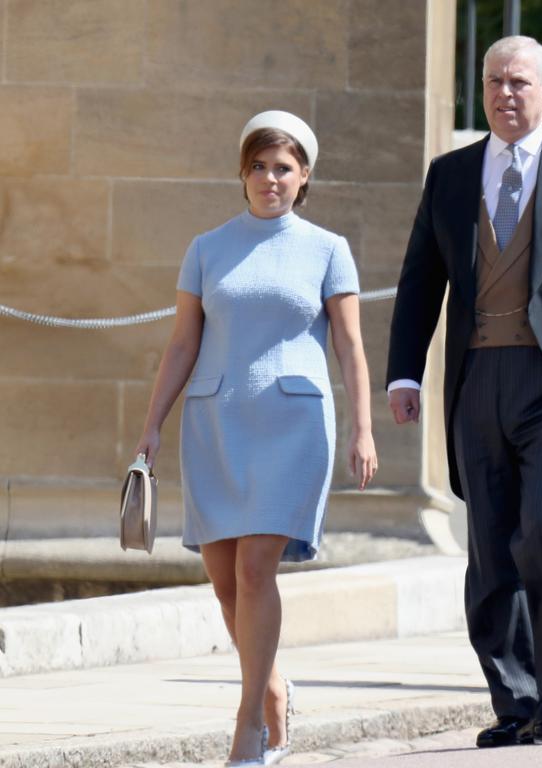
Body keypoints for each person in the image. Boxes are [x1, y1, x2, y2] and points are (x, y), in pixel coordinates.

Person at [386, 36, 542, 747]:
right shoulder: (449, 174)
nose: (506, 93)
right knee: (492, 547)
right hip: (476, 382)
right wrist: (405, 372)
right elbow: (420, 282)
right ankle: (515, 697)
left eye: (520, 82)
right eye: (495, 81)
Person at [135, 110, 377, 765]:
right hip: (215, 424)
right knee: (222, 584)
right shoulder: (206, 248)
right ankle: (270, 689)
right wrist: (152, 424)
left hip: (294, 426)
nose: (270, 179)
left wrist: (363, 428)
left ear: (304, 179)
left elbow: (351, 347)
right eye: (259, 166)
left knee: (254, 568)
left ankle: (248, 727)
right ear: (242, 174)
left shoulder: (328, 249)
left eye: (284, 168)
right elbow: (183, 342)